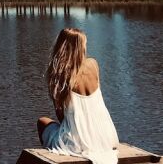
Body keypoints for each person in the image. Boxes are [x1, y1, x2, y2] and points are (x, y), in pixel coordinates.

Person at [37, 28, 119, 164]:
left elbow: (61, 117)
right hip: (105, 136)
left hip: (76, 143)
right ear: (81, 46)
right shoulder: (93, 64)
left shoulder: (60, 75)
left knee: (42, 121)